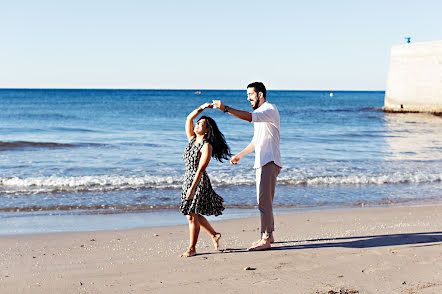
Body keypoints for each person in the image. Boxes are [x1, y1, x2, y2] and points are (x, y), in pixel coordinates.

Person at [213, 82, 282, 251]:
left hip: (269, 161)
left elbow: (248, 116)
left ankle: (265, 239)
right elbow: (256, 142)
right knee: (265, 201)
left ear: (260, 94)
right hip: (263, 161)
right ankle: (269, 234)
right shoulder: (261, 114)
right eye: (247, 95)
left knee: (263, 202)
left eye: (251, 94)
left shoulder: (269, 109)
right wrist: (240, 155)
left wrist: (226, 109)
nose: (248, 98)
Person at [179, 102, 231, 257]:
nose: (196, 124)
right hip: (187, 179)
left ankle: (192, 248)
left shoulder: (206, 146)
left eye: (201, 124)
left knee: (191, 215)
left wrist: (192, 188)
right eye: (197, 122)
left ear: (207, 130)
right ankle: (214, 235)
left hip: (198, 181)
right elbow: (189, 119)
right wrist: (202, 107)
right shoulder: (192, 140)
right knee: (192, 213)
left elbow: (201, 169)